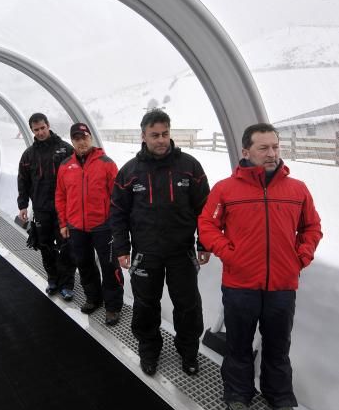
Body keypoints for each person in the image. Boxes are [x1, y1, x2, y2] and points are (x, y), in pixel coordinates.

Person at [198, 123, 322, 410]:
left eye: (275, 147)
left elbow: (312, 227)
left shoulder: (297, 189)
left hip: (282, 284)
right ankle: (238, 392)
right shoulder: (226, 189)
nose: (271, 153)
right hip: (240, 283)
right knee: (239, 343)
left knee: (278, 345)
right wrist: (229, 253)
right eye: (263, 148)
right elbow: (207, 224)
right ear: (246, 151)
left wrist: (301, 256)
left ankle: (278, 395)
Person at [110, 109, 211, 376]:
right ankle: (149, 349)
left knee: (188, 306)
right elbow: (117, 213)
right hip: (146, 253)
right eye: (155, 135)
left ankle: (188, 351)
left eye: (165, 134)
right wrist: (121, 248)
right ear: (143, 136)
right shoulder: (129, 172)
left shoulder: (190, 167)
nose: (161, 140)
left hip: (182, 252)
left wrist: (204, 243)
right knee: (145, 305)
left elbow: (205, 209)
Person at [55, 122, 124, 326]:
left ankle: (113, 306)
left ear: (91, 138)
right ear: (72, 142)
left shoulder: (106, 163)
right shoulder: (65, 166)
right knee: (84, 265)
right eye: (76, 138)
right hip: (76, 226)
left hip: (103, 226)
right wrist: (63, 223)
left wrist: (115, 224)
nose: (81, 142)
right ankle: (93, 298)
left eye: (84, 137)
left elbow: (118, 198)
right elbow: (60, 195)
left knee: (110, 267)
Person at [17, 113, 76, 300]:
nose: (41, 132)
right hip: (41, 209)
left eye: (43, 127)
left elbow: (76, 178)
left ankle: (67, 284)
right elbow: (23, 181)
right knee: (45, 246)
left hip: (63, 209)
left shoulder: (65, 149)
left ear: (48, 125)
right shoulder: (29, 155)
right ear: (32, 130)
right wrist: (23, 205)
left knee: (66, 246)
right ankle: (53, 279)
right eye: (36, 129)